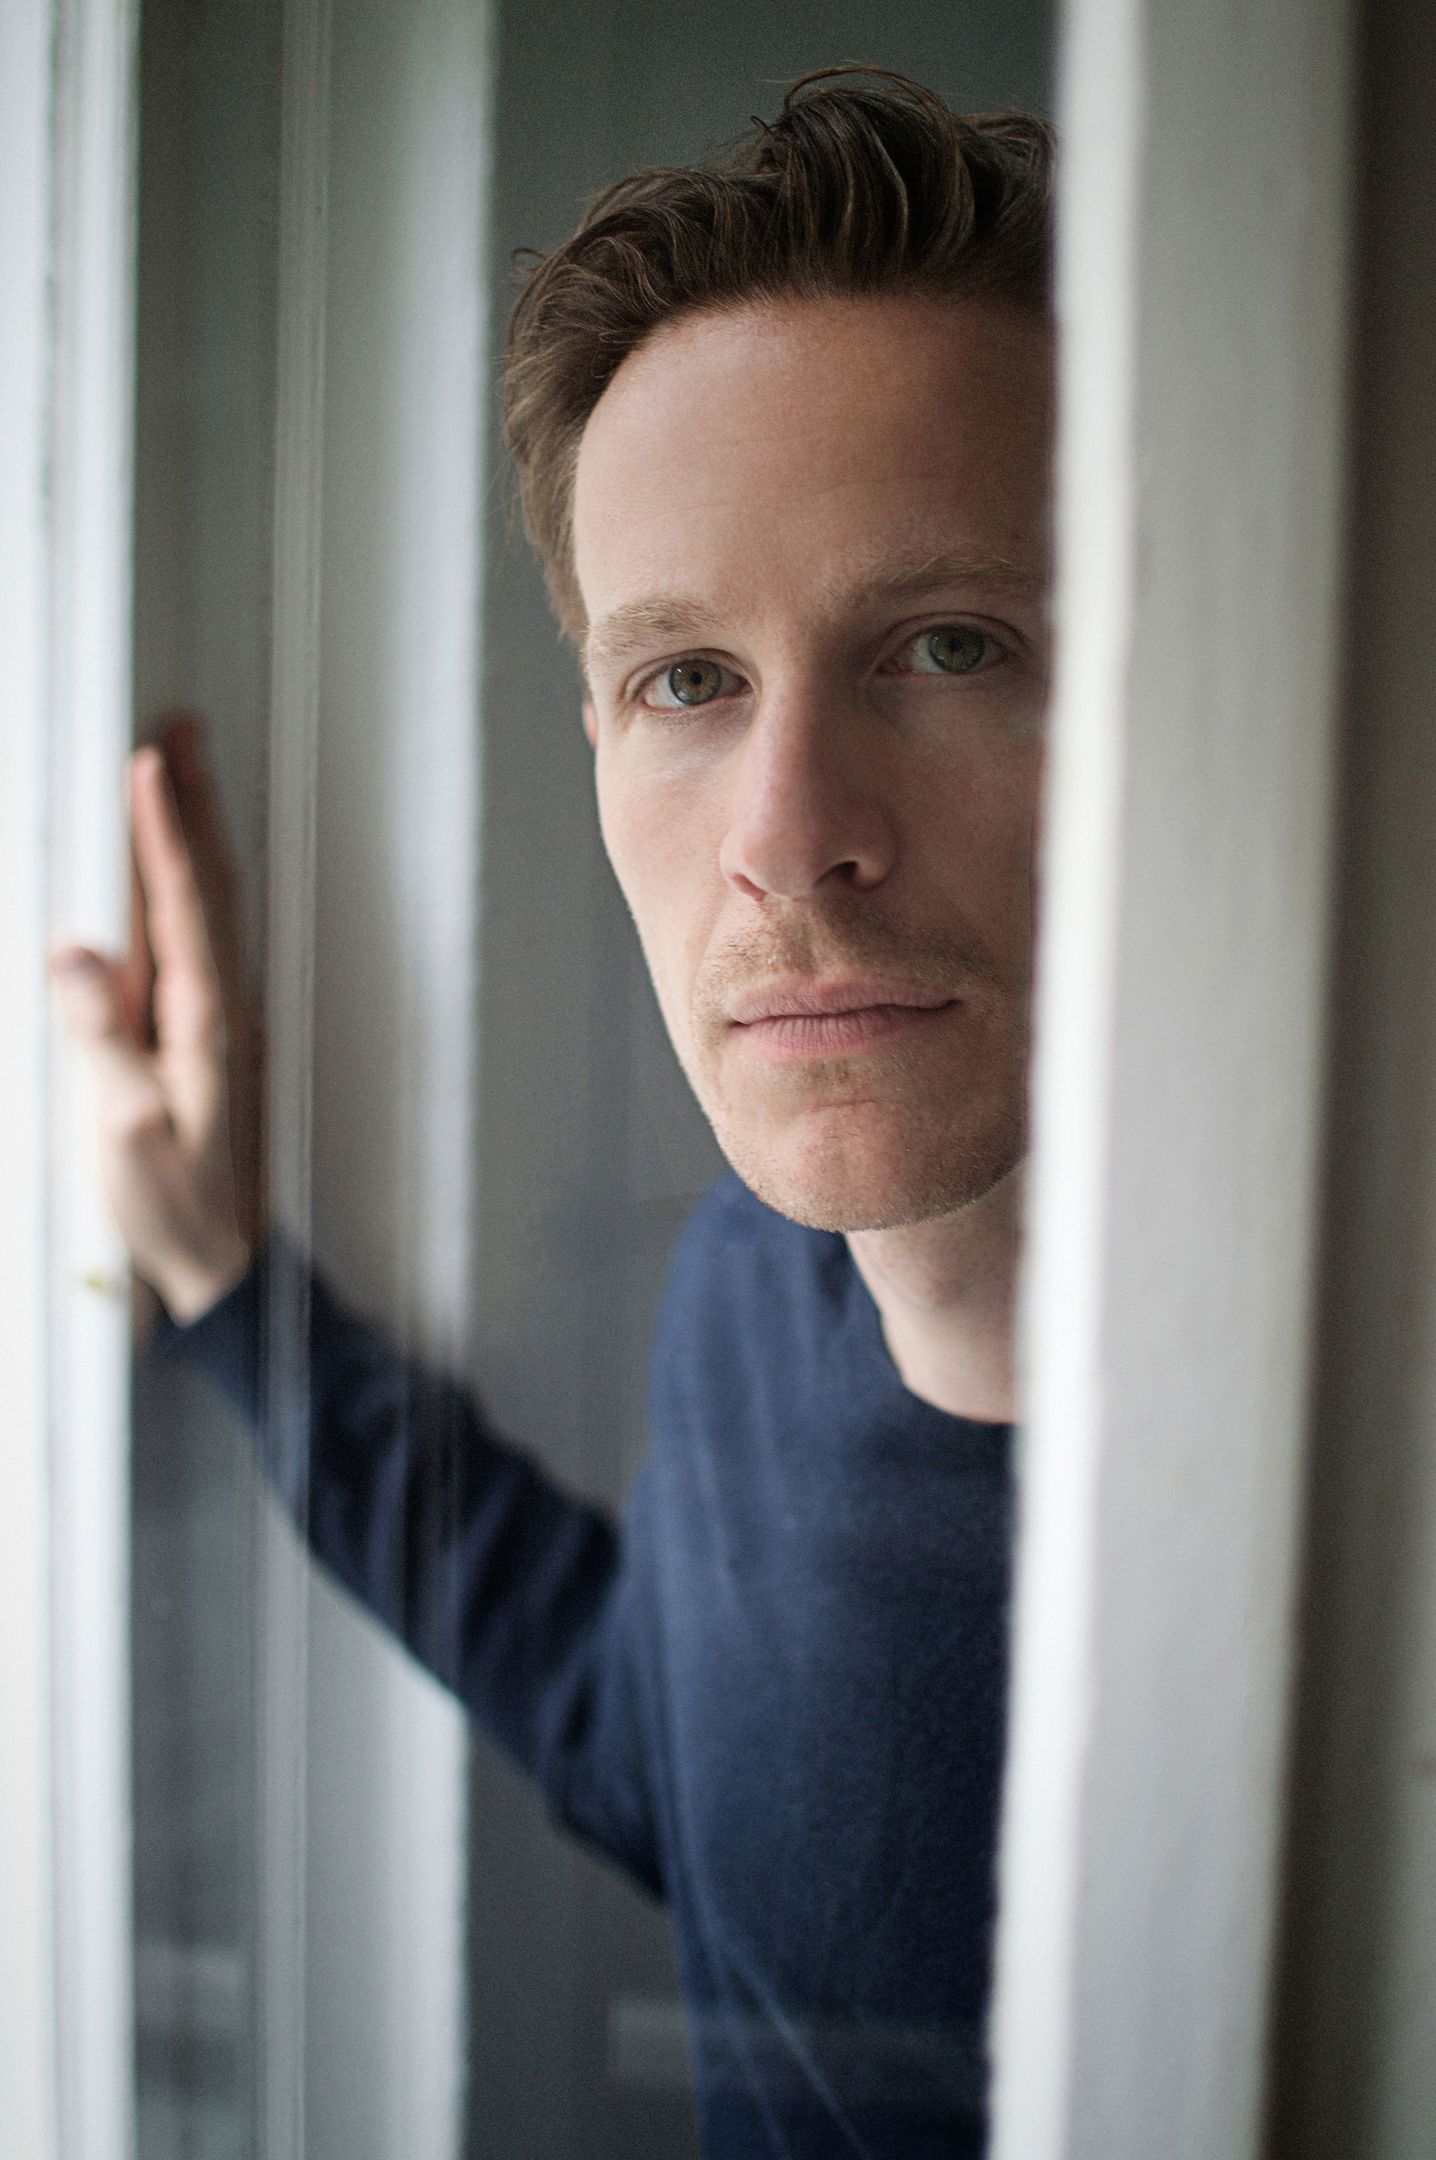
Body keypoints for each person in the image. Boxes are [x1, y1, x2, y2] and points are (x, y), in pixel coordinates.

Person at [50, 68, 1053, 2160]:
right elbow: (666, 1748)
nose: (786, 836)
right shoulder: (764, 1274)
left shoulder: (1326, 1538)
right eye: (687, 679)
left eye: (949, 644)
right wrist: (228, 1287)